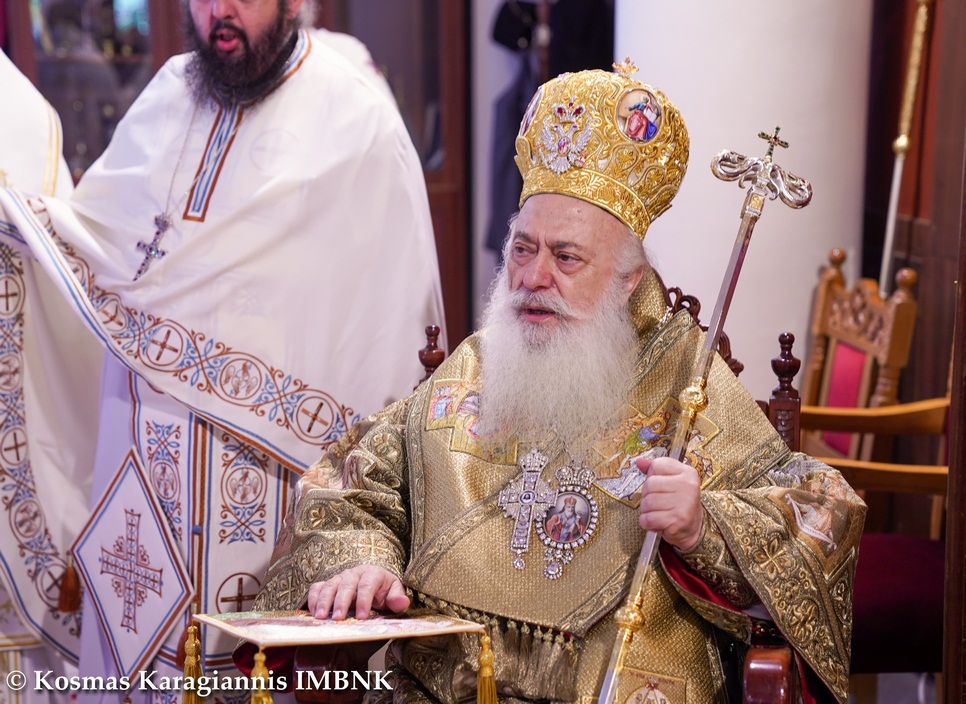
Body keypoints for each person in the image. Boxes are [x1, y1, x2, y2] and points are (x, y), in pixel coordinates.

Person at [248, 64, 862, 703]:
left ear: (627, 280)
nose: (534, 277)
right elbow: (349, 484)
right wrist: (363, 559)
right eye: (523, 249)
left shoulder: (688, 378)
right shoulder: (478, 363)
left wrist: (705, 525)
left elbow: (825, 513)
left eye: (566, 257)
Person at [0, 0, 444, 698]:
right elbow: (94, 242)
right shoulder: (169, 94)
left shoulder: (356, 121)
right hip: (140, 454)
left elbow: (388, 325)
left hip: (263, 470)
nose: (219, 13)